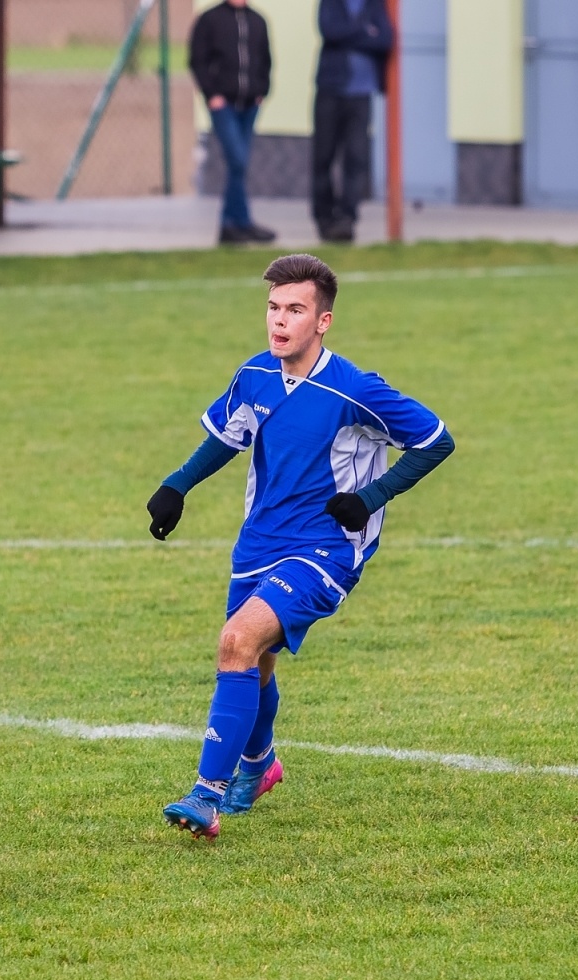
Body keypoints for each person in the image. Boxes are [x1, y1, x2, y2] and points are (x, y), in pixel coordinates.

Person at [146, 254, 453, 839]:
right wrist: (176, 487)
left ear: (323, 321)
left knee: (236, 641)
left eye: (295, 309)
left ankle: (205, 795)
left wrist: (371, 496)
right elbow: (227, 437)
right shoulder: (255, 375)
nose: (279, 321)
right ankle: (261, 767)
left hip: (325, 550)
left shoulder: (355, 389)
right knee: (255, 662)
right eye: (272, 308)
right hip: (258, 542)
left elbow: (436, 440)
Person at [189, 0, 276, 246]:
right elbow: (198, 60)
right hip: (223, 104)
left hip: (250, 104)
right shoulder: (210, 19)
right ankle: (239, 222)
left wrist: (262, 91)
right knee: (237, 159)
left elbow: (265, 59)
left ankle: (233, 225)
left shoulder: (257, 20)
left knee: (240, 163)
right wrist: (211, 94)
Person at [311, 0, 394, 243]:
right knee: (323, 157)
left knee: (356, 158)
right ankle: (324, 218)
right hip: (330, 89)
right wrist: (364, 30)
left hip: (361, 93)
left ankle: (347, 218)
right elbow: (330, 31)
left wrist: (352, 31)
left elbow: (385, 39)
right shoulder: (331, 3)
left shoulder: (374, 4)